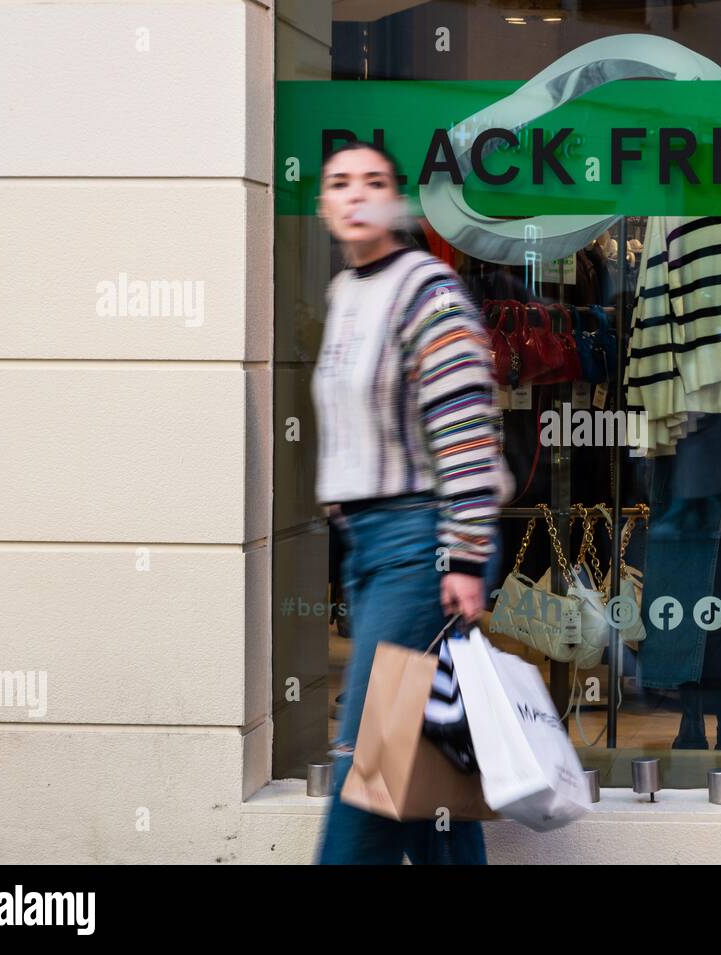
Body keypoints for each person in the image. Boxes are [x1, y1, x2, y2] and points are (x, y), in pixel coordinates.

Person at [311, 140, 506, 864]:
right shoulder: (344, 294)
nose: (355, 193)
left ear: (395, 201)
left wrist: (463, 554)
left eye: (373, 181)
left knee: (370, 755)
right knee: (426, 766)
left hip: (420, 544)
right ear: (325, 203)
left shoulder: (425, 287)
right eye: (339, 182)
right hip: (369, 547)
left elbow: (465, 424)